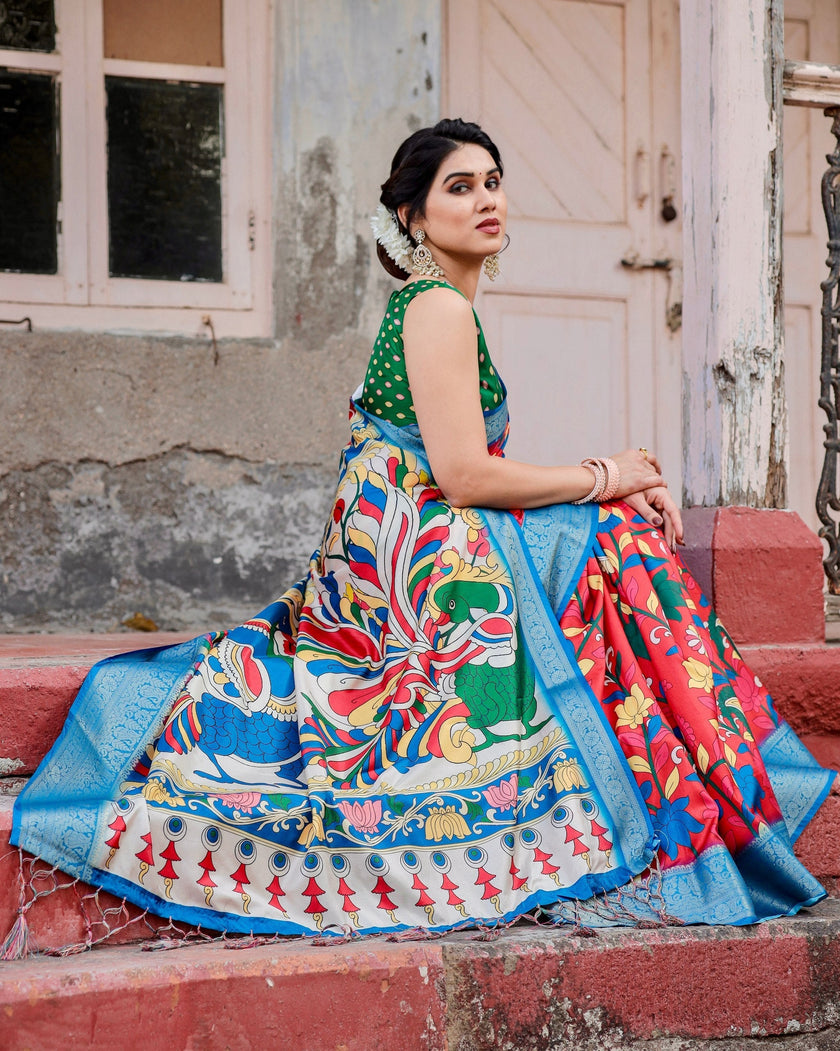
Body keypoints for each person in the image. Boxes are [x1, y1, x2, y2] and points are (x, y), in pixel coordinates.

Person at [8, 119, 836, 947]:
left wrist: (610, 485)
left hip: (412, 529)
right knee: (613, 536)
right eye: (459, 186)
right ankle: (698, 798)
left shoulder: (441, 308)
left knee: (608, 529)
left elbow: (462, 473)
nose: (486, 199)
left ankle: (672, 785)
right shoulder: (436, 307)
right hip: (412, 550)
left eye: (493, 180)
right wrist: (607, 477)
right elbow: (465, 475)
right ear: (410, 217)